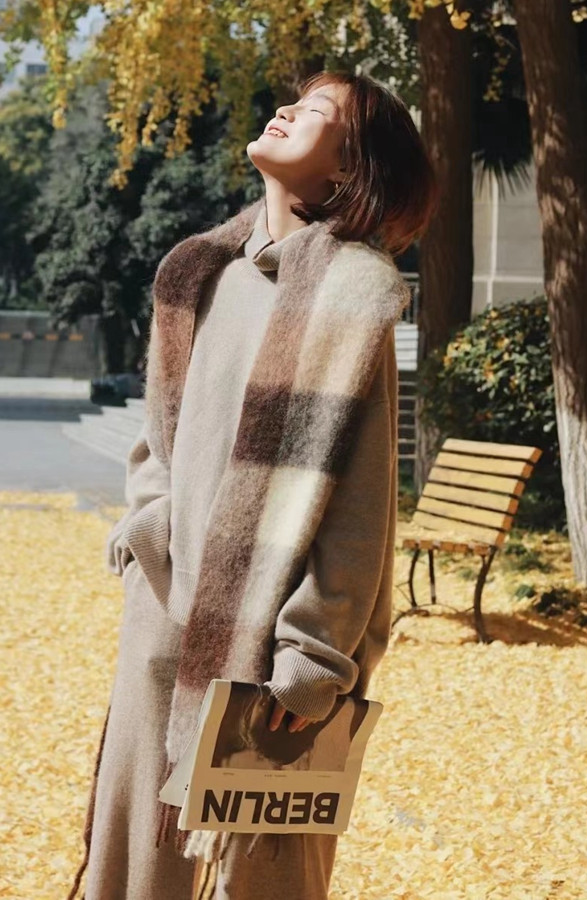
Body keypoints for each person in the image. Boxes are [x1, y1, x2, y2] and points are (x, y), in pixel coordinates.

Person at [67, 70, 437, 900]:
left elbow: (362, 505)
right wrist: (149, 522)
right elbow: (159, 435)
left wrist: (315, 654)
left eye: (316, 111)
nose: (285, 110)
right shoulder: (199, 273)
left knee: (267, 879)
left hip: (277, 655)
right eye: (293, 100)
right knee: (137, 868)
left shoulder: (355, 293)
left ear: (350, 165)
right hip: (165, 616)